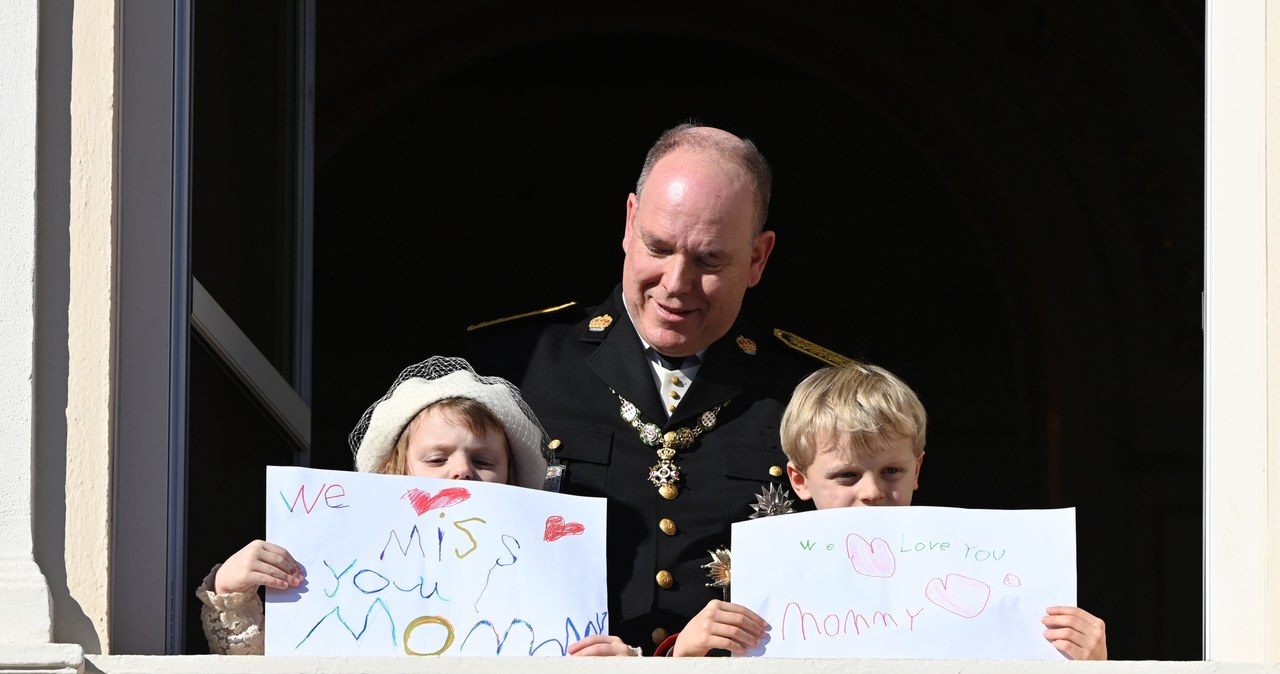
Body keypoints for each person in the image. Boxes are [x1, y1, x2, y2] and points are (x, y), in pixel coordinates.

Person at [464, 123, 843, 654]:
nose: (676, 283)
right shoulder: (509, 370)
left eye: (710, 260)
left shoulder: (815, 394)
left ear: (758, 258)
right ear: (629, 222)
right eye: (659, 247)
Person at [194, 356, 638, 656]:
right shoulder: (340, 565)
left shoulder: (549, 581)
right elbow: (269, 657)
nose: (461, 472)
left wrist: (623, 662)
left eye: (483, 461)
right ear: (395, 471)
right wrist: (233, 590)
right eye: (437, 458)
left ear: (513, 481)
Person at [663, 361, 1108, 660]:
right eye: (846, 476)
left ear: (918, 470)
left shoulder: (973, 562)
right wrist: (687, 656)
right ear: (799, 480)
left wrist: (1095, 665)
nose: (872, 491)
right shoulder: (764, 581)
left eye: (891, 470)